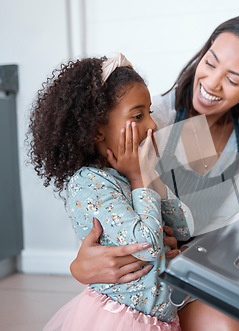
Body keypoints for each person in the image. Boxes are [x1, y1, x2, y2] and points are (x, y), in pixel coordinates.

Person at [70, 15, 239, 330]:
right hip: (149, 273)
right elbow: (102, 211)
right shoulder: (154, 123)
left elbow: (224, 224)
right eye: (210, 63)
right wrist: (78, 266)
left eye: (233, 79)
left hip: (199, 260)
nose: (210, 83)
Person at [28, 53, 194, 330]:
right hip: (122, 319)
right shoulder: (89, 183)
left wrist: (148, 177)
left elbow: (184, 227)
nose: (152, 125)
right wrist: (139, 177)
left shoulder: (134, 175)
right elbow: (149, 247)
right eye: (138, 115)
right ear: (96, 130)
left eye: (150, 113)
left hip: (159, 320)